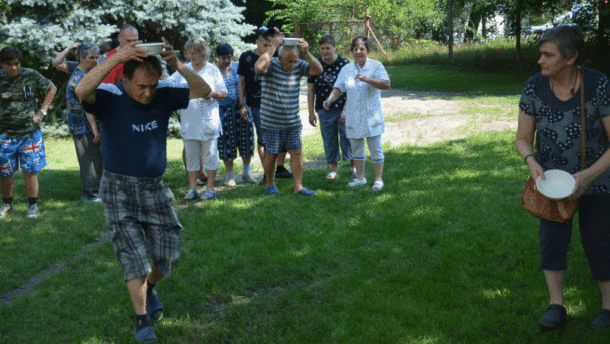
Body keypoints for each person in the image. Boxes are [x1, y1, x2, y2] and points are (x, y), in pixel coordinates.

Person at [75, 39, 211, 341]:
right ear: (125, 80)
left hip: (154, 188)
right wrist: (118, 57)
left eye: (151, 85)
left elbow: (203, 91)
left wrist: (177, 64)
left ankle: (148, 288)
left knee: (168, 256)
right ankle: (141, 319)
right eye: (140, 86)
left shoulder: (162, 94)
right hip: (117, 188)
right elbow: (81, 90)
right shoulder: (109, 97)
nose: (146, 93)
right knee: (132, 255)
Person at [515, 25, 610, 332]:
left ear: (571, 58)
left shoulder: (597, 84)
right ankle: (556, 304)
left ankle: (608, 307)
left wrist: (588, 176)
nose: (540, 61)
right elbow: (522, 139)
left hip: (598, 179)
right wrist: (531, 161)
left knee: (600, 242)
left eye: (548, 55)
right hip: (552, 183)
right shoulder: (534, 87)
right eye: (540, 54)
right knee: (552, 242)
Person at [255, 30, 323, 196]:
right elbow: (259, 67)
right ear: (280, 58)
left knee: (297, 151)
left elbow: (318, 70)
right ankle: (270, 183)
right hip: (271, 120)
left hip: (292, 120)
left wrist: (306, 52)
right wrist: (273, 47)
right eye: (289, 61)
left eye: (295, 60)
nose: (292, 64)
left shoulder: (299, 65)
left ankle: (298, 186)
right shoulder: (272, 64)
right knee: (271, 153)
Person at [323, 35, 390, 191]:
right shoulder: (347, 69)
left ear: (368, 50)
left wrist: (367, 79)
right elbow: (339, 87)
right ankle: (360, 178)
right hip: (353, 116)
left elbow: (386, 84)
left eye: (362, 49)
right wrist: (330, 99)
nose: (358, 52)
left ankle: (378, 180)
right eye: (355, 49)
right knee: (356, 149)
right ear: (351, 51)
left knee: (375, 149)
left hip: (372, 116)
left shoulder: (376, 66)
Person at [0, 47, 57, 219]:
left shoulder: (31, 75)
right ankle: (7, 205)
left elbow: (51, 88)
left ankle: (33, 206)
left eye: (17, 64)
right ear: (2, 64)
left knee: (30, 171)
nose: (14, 68)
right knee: (4, 171)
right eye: (10, 65)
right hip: (5, 134)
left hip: (29, 134)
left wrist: (42, 111)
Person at [167, 38, 226, 200]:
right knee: (192, 156)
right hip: (189, 120)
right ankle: (192, 188)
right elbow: (168, 85)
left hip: (208, 121)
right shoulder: (183, 69)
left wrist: (210, 95)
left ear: (204, 53)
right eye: (190, 53)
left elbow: (224, 92)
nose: (192, 56)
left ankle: (210, 188)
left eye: (196, 53)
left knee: (210, 155)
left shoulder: (212, 70)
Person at [238, 26, 293, 184]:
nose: (268, 48)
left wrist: (283, 42)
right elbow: (242, 81)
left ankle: (280, 169)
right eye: (265, 45)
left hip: (278, 103)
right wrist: (242, 104)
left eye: (271, 45)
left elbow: (291, 59)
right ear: (257, 42)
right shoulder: (246, 57)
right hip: (257, 105)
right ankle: (267, 173)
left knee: (282, 136)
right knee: (263, 140)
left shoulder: (277, 55)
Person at [307, 35, 354, 180]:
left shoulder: (344, 64)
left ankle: (353, 166)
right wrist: (311, 112)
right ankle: (334, 169)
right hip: (324, 109)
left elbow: (351, 89)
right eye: (322, 48)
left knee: (347, 136)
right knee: (329, 138)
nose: (325, 51)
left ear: (334, 48)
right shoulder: (315, 64)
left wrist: (347, 111)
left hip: (343, 108)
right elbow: (311, 90)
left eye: (328, 48)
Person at [66, 42, 103, 203]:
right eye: (91, 57)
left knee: (96, 158)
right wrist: (95, 129)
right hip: (82, 126)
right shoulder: (78, 78)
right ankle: (90, 195)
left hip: (89, 125)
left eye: (97, 57)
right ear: (81, 58)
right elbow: (87, 107)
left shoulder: (86, 72)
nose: (95, 60)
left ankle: (98, 191)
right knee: (89, 160)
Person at [216, 43, 256, 186]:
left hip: (241, 107)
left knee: (246, 137)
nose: (226, 60)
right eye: (223, 57)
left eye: (228, 57)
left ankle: (246, 172)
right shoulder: (213, 70)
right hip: (223, 109)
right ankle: (230, 176)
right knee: (227, 141)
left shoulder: (236, 66)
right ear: (217, 57)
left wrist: (243, 104)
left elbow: (244, 83)